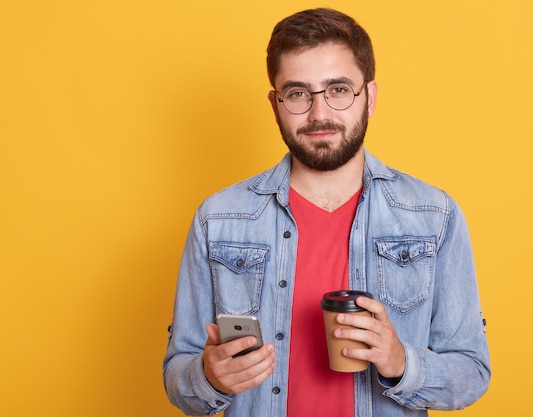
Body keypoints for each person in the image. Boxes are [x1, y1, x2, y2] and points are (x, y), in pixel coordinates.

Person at [163, 7, 490, 417]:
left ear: (368, 97)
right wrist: (207, 378)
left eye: (338, 89)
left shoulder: (433, 216)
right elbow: (178, 373)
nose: (319, 114)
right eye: (298, 93)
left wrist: (402, 363)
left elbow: (472, 371)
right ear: (275, 103)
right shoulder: (219, 219)